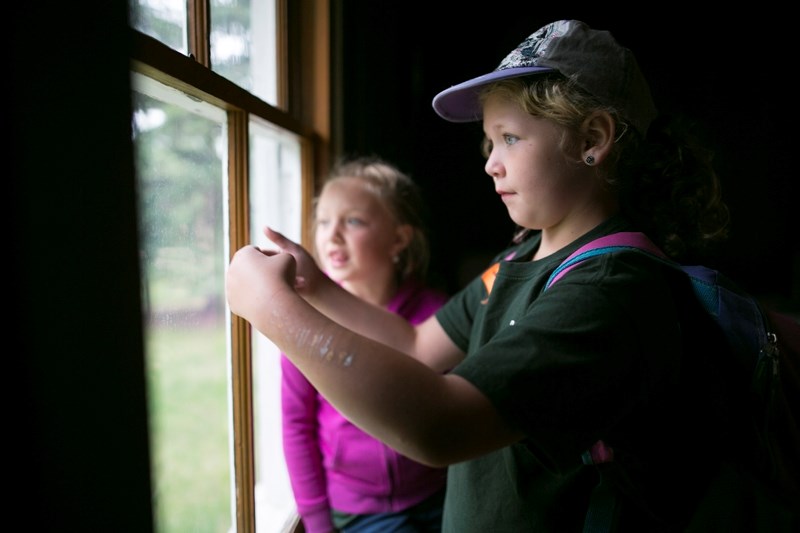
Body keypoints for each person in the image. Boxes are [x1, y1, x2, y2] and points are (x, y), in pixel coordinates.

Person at [227, 20, 796, 532]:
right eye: (489, 142)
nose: (490, 162)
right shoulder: (519, 260)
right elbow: (415, 344)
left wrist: (274, 311)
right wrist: (315, 288)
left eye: (511, 138)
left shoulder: (611, 290)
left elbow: (438, 425)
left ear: (593, 140)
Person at [280, 156, 448, 533]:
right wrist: (318, 522)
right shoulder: (308, 320)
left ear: (399, 239)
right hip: (360, 511)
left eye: (352, 221)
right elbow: (295, 426)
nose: (331, 235)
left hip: (439, 494)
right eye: (323, 221)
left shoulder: (437, 316)